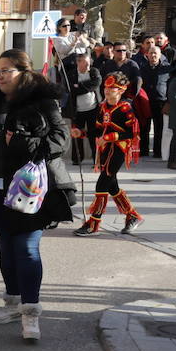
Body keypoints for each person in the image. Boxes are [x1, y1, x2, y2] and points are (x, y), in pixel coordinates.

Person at [0, 49, 75, 343]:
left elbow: (60, 140)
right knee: (6, 250)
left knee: (26, 250)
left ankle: (31, 313)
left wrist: (24, 142)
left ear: (24, 73)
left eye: (7, 70)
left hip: (31, 193)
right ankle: (13, 303)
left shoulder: (42, 101)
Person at [74, 73, 144, 236]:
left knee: (102, 183)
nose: (107, 90)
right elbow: (96, 130)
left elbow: (131, 133)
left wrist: (109, 137)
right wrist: (81, 133)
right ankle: (132, 215)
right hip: (105, 151)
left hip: (119, 150)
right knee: (112, 186)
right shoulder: (103, 107)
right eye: (106, 87)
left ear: (120, 90)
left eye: (112, 88)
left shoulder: (126, 108)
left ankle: (94, 222)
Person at [135, 37, 172, 159]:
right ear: (147, 55)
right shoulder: (142, 68)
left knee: (159, 128)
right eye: (151, 53)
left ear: (160, 55)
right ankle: (143, 150)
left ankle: (158, 151)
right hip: (145, 101)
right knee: (144, 127)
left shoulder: (166, 68)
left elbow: (170, 84)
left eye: (155, 53)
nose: (153, 55)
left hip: (160, 101)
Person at [65, 51, 101, 167]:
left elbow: (96, 83)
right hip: (77, 110)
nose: (87, 66)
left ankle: (96, 160)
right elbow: (71, 90)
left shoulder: (94, 72)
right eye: (85, 63)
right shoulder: (72, 74)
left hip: (93, 108)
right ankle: (77, 159)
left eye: (88, 62)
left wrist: (80, 86)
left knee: (93, 135)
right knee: (77, 135)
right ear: (78, 63)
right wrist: (85, 87)